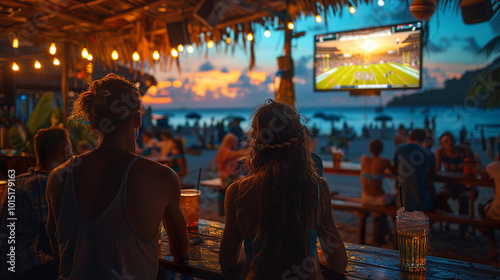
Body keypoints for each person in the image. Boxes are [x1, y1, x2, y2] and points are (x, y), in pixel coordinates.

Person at [46, 73, 188, 279]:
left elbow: (56, 247)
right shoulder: (163, 178)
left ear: (93, 125)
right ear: (138, 118)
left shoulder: (58, 177)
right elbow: (180, 251)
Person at [219, 99, 347, 279]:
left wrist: (250, 252)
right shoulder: (317, 189)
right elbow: (339, 264)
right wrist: (313, 255)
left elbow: (227, 261)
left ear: (256, 141)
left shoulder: (237, 192)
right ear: (300, 140)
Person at [0, 128, 70, 280]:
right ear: (63, 151)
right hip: (28, 268)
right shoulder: (44, 183)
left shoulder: (17, 181)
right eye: (68, 150)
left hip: (8, 267)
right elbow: (53, 239)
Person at [394, 129, 436, 211]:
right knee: (436, 198)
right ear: (423, 140)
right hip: (422, 204)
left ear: (409, 138)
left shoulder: (399, 149)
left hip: (400, 203)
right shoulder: (428, 153)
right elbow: (434, 172)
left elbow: (394, 165)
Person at [361, 139, 394, 245]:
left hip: (365, 198)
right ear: (382, 149)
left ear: (369, 149)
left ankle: (388, 234)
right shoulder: (384, 161)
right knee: (394, 198)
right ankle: (389, 235)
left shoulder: (364, 159)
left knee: (379, 211)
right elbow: (394, 171)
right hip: (379, 199)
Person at [435, 132, 475, 219]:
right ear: (441, 144)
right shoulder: (441, 152)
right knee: (440, 197)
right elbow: (436, 169)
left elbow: (473, 168)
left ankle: (462, 227)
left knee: (463, 198)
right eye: (446, 141)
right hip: (450, 185)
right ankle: (453, 218)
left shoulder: (464, 151)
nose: (450, 142)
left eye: (451, 140)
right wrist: (437, 154)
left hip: (466, 185)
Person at [478, 152, 500, 258]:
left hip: (497, 211)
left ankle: (494, 248)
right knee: (489, 203)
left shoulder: (494, 166)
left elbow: (483, 176)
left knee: (481, 208)